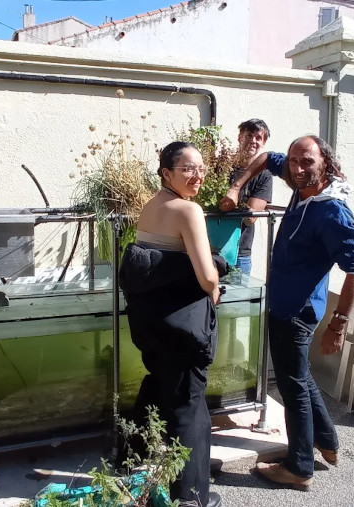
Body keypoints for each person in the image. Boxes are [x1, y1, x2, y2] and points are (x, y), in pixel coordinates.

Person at [220, 135, 354, 491]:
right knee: (299, 377)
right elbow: (266, 157)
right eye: (295, 161)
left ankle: (299, 467)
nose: (298, 169)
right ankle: (327, 444)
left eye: (307, 163)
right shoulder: (298, 180)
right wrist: (237, 186)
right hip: (284, 301)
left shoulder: (331, 210)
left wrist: (339, 324)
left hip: (296, 311)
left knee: (292, 387)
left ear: (325, 164)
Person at [118, 141, 225, 507]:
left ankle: (130, 457)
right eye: (188, 169)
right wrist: (214, 292)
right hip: (180, 329)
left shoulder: (151, 205)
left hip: (150, 322)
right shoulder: (188, 210)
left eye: (200, 168)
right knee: (188, 409)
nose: (198, 175)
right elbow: (207, 275)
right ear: (167, 173)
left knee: (158, 384)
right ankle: (192, 499)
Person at [230, 119, 272, 275]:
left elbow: (250, 217)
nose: (253, 141)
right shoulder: (220, 166)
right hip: (211, 249)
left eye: (258, 138)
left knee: (238, 299)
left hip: (240, 254)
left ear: (263, 143)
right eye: (249, 136)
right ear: (240, 137)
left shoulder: (264, 175)